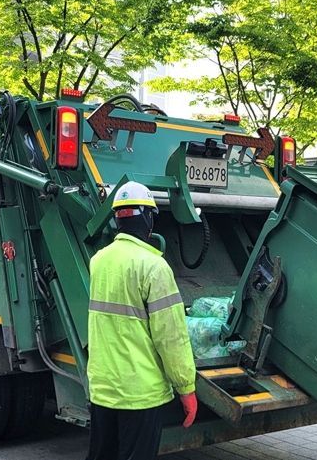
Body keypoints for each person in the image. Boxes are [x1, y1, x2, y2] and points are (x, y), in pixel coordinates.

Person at [86, 181, 197, 460]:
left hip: (103, 389)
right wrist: (186, 387)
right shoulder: (154, 267)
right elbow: (171, 337)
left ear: (117, 219)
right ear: (149, 218)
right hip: (140, 393)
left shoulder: (98, 261)